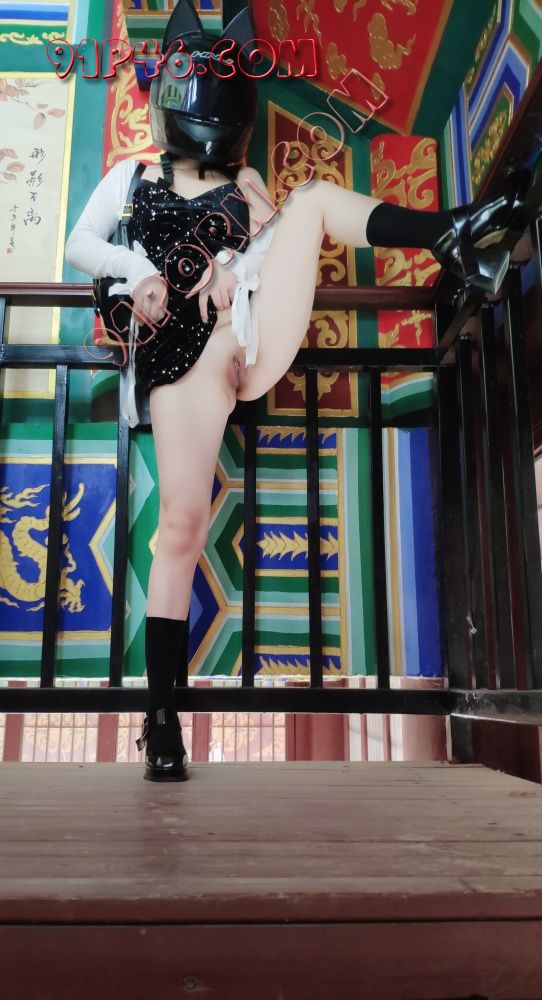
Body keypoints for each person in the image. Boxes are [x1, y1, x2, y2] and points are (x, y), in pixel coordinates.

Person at [64, 1, 533, 782]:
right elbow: (81, 244)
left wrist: (231, 264)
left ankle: (453, 234)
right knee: (180, 528)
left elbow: (271, 250)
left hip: (247, 335)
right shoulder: (132, 178)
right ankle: (161, 718)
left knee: (310, 198)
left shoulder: (244, 181)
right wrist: (139, 271)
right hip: (181, 355)